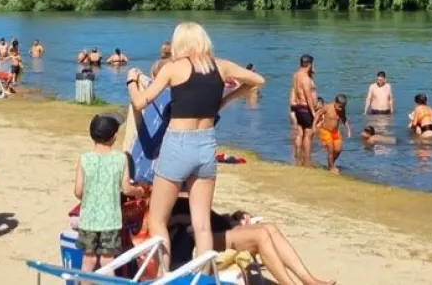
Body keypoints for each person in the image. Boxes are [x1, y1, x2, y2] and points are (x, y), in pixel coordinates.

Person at [126, 21, 264, 271]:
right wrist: (227, 99)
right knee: (202, 226)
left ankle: (164, 275)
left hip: (178, 144)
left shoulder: (174, 68)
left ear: (181, 43)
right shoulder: (221, 66)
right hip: (206, 144)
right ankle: (205, 279)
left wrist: (131, 82)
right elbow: (257, 80)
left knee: (158, 220)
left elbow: (140, 103)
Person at [169, 197, 336, 285]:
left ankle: (307, 280)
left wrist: (235, 218)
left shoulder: (182, 190)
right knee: (261, 235)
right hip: (194, 240)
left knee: (269, 228)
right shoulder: (167, 200)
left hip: (211, 229)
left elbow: (207, 216)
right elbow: (188, 222)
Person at [74, 114, 145, 271]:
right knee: (107, 262)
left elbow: (78, 191)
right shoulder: (121, 159)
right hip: (111, 220)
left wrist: (89, 197)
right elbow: (126, 189)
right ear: (113, 137)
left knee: (89, 260)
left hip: (88, 219)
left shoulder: (84, 159)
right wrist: (138, 191)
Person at [289, 54, 318, 167]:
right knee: (308, 134)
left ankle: (297, 156)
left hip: (298, 108)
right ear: (309, 64)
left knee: (300, 133)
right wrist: (313, 112)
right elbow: (308, 96)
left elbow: (297, 91)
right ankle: (306, 160)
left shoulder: (296, 75)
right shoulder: (305, 78)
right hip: (306, 108)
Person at [315, 94, 351, 173]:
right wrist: (313, 125)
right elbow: (318, 114)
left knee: (338, 149)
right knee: (330, 149)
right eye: (339, 106)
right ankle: (331, 168)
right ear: (335, 102)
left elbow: (344, 119)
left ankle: (331, 163)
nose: (341, 109)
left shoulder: (342, 110)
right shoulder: (327, 107)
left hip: (335, 132)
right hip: (325, 131)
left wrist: (348, 130)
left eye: (343, 107)